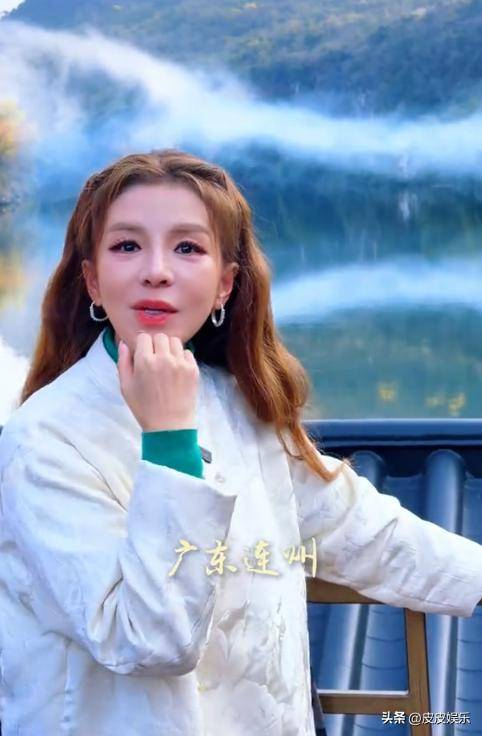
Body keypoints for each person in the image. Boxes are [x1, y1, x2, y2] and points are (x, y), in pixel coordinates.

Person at [0, 149, 481, 736]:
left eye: (188, 248)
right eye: (127, 246)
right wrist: (169, 437)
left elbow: (357, 527)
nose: (157, 270)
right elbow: (150, 640)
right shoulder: (42, 441)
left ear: (224, 285)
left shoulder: (239, 404)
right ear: (93, 280)